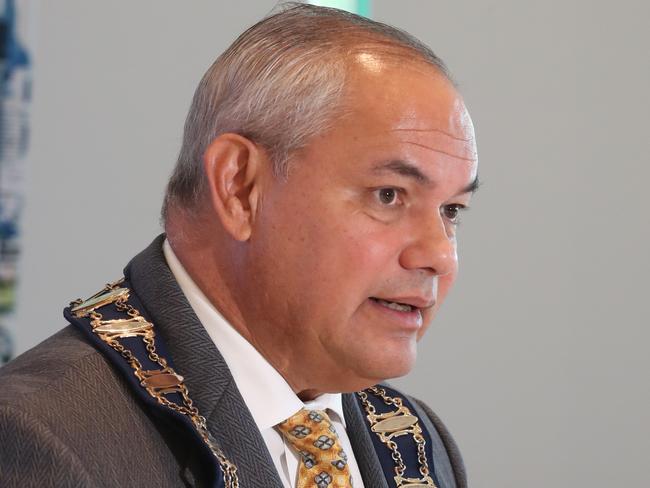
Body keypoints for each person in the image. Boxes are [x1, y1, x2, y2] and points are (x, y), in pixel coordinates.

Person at [0, 4, 478, 488]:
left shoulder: (418, 443)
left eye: (451, 211)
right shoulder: (43, 436)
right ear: (240, 188)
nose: (438, 256)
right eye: (388, 195)